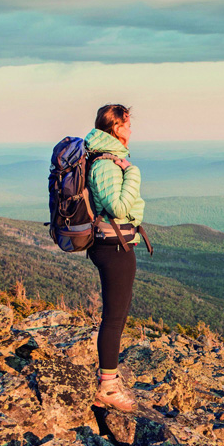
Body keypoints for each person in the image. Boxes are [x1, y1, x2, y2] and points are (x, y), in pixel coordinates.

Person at [85, 104, 145, 412]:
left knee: (115, 316)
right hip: (113, 245)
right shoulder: (107, 164)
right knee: (114, 318)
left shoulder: (101, 158)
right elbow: (119, 208)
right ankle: (107, 388)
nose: (131, 130)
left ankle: (108, 380)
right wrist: (133, 173)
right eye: (128, 124)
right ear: (116, 128)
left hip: (111, 242)